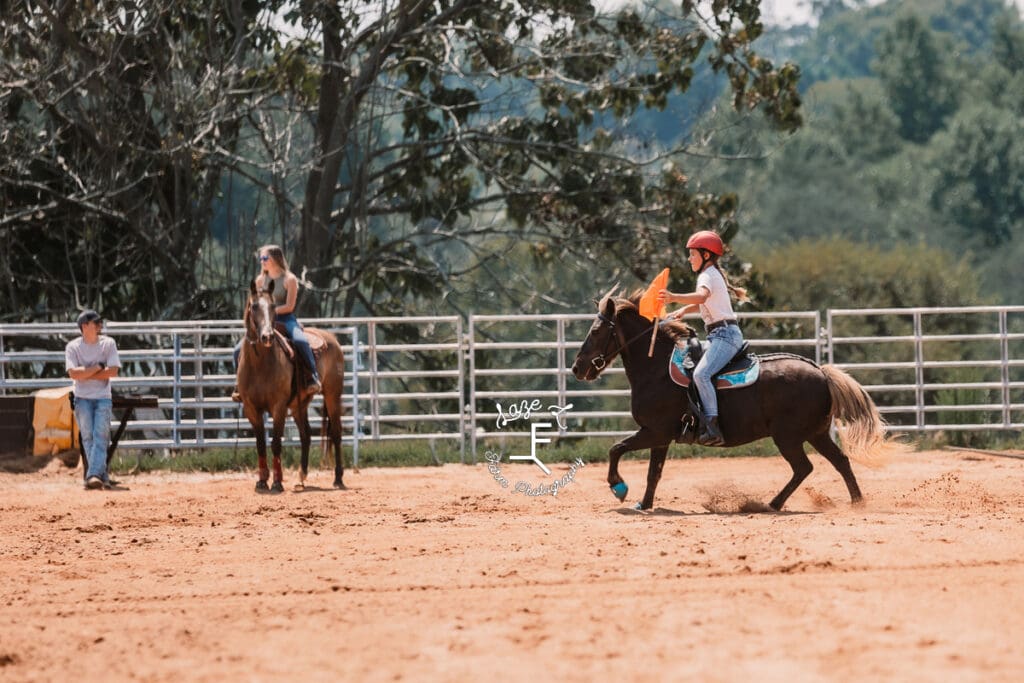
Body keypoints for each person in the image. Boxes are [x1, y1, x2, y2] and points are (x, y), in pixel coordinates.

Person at [657, 230, 747, 446]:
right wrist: (684, 311)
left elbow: (702, 296)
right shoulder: (713, 274)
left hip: (724, 336)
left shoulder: (707, 276)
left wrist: (673, 297)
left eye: (692, 254)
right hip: (723, 334)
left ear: (706, 256)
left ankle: (713, 427)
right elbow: (704, 302)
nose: (689, 259)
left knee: (701, 374)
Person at [232, 244, 321, 401]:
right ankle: (239, 385)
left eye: (265, 258)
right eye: (261, 258)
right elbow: (253, 305)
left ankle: (312, 376)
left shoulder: (289, 279)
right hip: (263, 323)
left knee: (300, 340)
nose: (262, 261)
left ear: (275, 258)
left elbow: (290, 306)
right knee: (238, 350)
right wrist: (262, 317)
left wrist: (270, 312)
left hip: (285, 319)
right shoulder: (260, 281)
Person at [65, 309, 121, 489]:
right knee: (89, 436)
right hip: (83, 397)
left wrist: (85, 373)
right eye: (95, 322)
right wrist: (98, 367)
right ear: (84, 326)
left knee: (100, 435)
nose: (99, 325)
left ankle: (94, 475)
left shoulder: (108, 343)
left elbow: (113, 371)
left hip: (101, 397)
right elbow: (73, 373)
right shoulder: (73, 347)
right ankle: (100, 476)